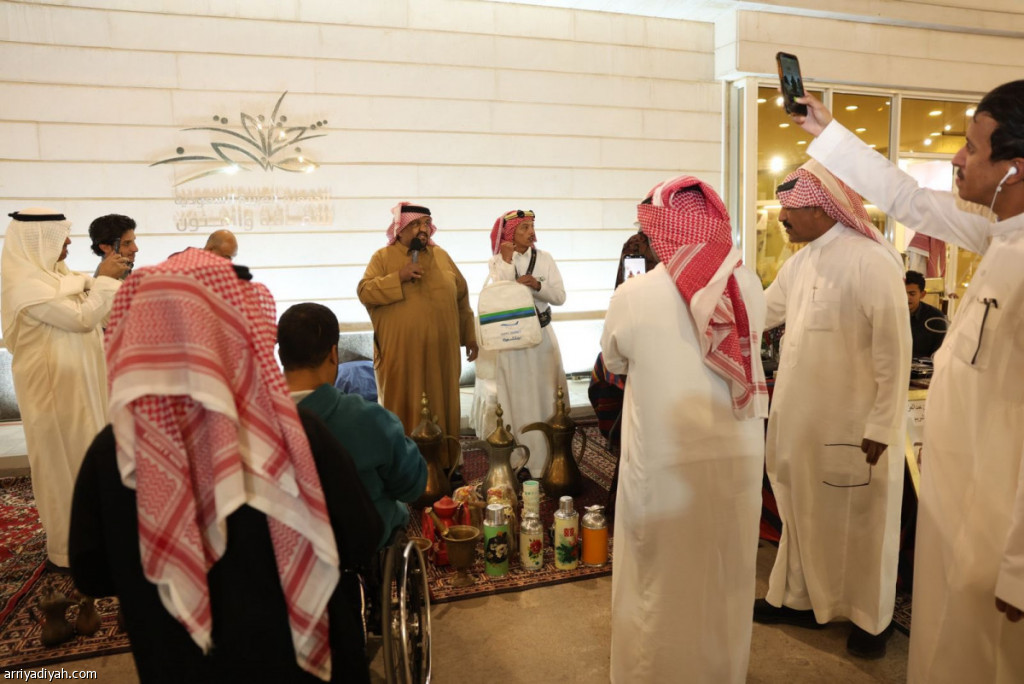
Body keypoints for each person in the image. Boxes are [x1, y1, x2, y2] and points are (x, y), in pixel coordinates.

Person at [788, 81, 1024, 683]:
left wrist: (1020, 567)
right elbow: (907, 198)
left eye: (972, 148)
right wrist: (826, 131)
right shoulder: (999, 233)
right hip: (959, 507)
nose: (957, 158)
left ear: (1014, 170)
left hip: (999, 526)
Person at [69, 248, 381, 683]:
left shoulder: (112, 455)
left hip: (177, 663)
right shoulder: (295, 434)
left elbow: (92, 574)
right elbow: (362, 537)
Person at [601, 175, 768, 683]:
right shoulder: (748, 283)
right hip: (738, 461)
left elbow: (613, 361)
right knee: (724, 571)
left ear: (660, 234)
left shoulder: (635, 294)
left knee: (659, 577)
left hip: (664, 465)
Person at [753, 160, 911, 660]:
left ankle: (871, 619)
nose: (781, 218)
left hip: (855, 427)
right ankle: (799, 599)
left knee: (862, 522)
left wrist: (882, 423)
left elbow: (894, 350)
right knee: (803, 514)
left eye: (790, 209)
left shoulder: (871, 261)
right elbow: (759, 314)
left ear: (824, 209)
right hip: (801, 424)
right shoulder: (801, 264)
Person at [1, 208, 128, 569]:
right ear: (38, 240)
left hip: (83, 384)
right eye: (61, 236)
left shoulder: (63, 278)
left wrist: (105, 285)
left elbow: (100, 316)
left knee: (90, 458)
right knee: (62, 463)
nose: (69, 242)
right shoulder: (26, 287)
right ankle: (68, 550)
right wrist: (103, 280)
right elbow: (81, 318)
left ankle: (98, 539)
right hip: (53, 390)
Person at [278, 302, 427, 550]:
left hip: (284, 553)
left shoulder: (252, 423)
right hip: (362, 550)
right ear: (333, 354)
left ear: (281, 355)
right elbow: (411, 486)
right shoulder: (368, 418)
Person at [357, 202, 478, 470]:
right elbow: (364, 292)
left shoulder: (442, 256)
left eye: (426, 224)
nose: (423, 229)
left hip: (441, 356)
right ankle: (403, 468)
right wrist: (398, 277)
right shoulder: (382, 257)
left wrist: (469, 335)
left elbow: (462, 297)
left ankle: (444, 466)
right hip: (401, 356)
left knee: (443, 406)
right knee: (403, 407)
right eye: (415, 224)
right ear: (399, 229)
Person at [472, 209, 567, 477]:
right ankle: (518, 459)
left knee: (545, 395)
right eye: (524, 227)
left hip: (542, 341)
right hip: (511, 343)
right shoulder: (497, 262)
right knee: (514, 398)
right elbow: (501, 295)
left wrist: (537, 285)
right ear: (510, 233)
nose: (531, 232)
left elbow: (560, 297)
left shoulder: (545, 259)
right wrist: (506, 260)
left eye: (532, 226)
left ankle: (546, 459)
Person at [905, 270, 946, 358]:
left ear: (922, 294)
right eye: (903, 293)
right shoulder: (890, 315)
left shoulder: (935, 318)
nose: (907, 298)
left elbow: (939, 354)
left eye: (912, 294)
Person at [89, 213, 139, 278]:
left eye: (133, 241)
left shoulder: (125, 271)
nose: (135, 249)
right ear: (105, 248)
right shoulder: (105, 282)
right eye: (126, 243)